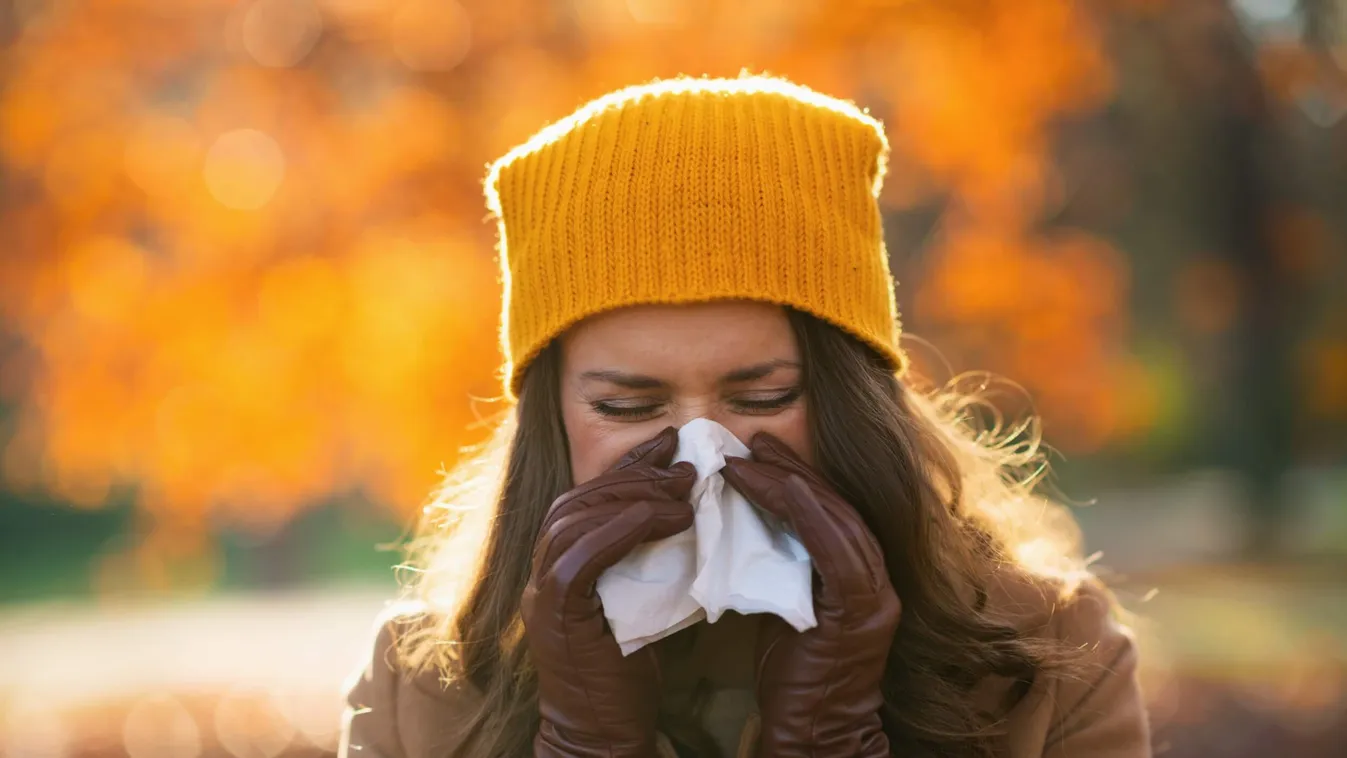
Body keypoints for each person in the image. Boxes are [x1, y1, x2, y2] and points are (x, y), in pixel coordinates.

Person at [339, 74, 1150, 758]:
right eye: (628, 405)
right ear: (550, 423)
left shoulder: (1048, 659)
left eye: (763, 398)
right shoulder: (423, 686)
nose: (701, 456)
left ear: (851, 403)